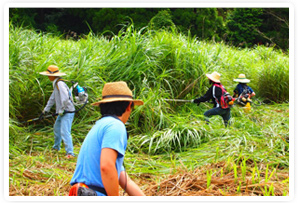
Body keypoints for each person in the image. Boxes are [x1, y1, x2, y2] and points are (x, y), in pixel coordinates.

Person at [69, 81, 145, 196]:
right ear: (129, 106)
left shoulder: (101, 125)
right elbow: (107, 166)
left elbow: (124, 179)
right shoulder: (116, 126)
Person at [39, 65, 76, 158]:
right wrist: (45, 111)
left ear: (53, 75)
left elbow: (65, 98)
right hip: (62, 112)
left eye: (48, 75)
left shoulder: (60, 84)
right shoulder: (56, 83)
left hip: (67, 111)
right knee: (57, 128)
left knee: (65, 131)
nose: (48, 77)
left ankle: (70, 153)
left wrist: (62, 109)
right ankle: (56, 147)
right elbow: (52, 98)